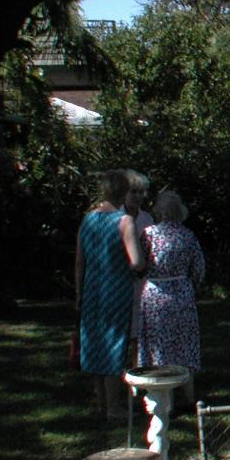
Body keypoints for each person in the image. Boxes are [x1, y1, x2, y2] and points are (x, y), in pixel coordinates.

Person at [76, 169, 144, 419]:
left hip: (92, 288)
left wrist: (78, 293)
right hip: (116, 288)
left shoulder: (88, 219)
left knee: (93, 344)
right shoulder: (124, 221)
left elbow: (79, 262)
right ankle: (114, 407)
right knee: (114, 344)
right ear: (124, 192)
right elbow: (136, 261)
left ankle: (101, 403)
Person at [138, 190, 205, 406]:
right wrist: (189, 285)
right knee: (185, 345)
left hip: (156, 294)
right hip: (182, 294)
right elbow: (199, 269)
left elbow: (139, 265)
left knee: (159, 347)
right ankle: (189, 396)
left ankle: (164, 401)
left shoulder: (148, 234)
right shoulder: (188, 235)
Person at [124, 170, 154, 356]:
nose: (137, 196)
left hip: (141, 282)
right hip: (117, 280)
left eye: (141, 192)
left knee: (138, 334)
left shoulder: (147, 219)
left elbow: (150, 251)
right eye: (133, 191)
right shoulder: (114, 217)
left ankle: (135, 379)